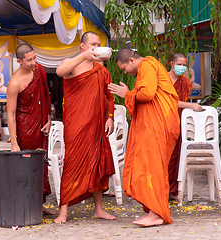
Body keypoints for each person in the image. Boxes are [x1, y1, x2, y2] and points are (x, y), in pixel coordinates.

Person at [108, 48, 180, 227]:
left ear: (131, 60)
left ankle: (156, 214)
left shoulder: (147, 64)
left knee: (153, 165)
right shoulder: (148, 66)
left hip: (158, 123)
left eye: (124, 68)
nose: (125, 72)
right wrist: (131, 92)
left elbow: (147, 94)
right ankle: (153, 211)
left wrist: (127, 94)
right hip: (156, 122)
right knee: (150, 164)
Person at [54, 31, 116, 223]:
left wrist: (110, 117)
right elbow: (59, 71)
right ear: (83, 46)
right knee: (72, 162)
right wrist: (83, 57)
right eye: (93, 44)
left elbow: (109, 96)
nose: (96, 47)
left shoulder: (101, 70)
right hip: (76, 124)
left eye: (99, 44)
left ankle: (99, 209)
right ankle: (63, 211)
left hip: (97, 125)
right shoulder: (73, 63)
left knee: (97, 163)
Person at [7, 43, 53, 214]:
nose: (34, 62)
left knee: (41, 166)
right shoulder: (14, 83)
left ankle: (39, 204)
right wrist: (13, 142)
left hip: (41, 126)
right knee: (27, 168)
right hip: (25, 130)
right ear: (19, 61)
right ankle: (27, 205)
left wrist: (48, 119)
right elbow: (11, 114)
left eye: (35, 58)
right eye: (29, 60)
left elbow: (46, 95)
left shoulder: (39, 70)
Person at [168, 53, 203, 200]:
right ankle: (160, 190)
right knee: (163, 157)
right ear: (172, 64)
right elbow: (168, 101)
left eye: (184, 65)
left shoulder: (186, 83)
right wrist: (191, 105)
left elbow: (180, 103)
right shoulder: (162, 79)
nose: (182, 67)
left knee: (176, 157)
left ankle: (172, 190)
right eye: (179, 64)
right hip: (162, 121)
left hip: (178, 122)